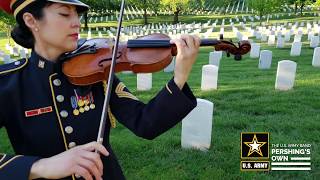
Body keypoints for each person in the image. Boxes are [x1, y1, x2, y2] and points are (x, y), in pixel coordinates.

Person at [0, 0, 200, 179]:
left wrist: (179, 77)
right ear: (31, 20)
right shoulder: (8, 83)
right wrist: (40, 166)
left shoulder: (94, 69)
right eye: (64, 13)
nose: (77, 22)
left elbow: (145, 123)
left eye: (77, 14)